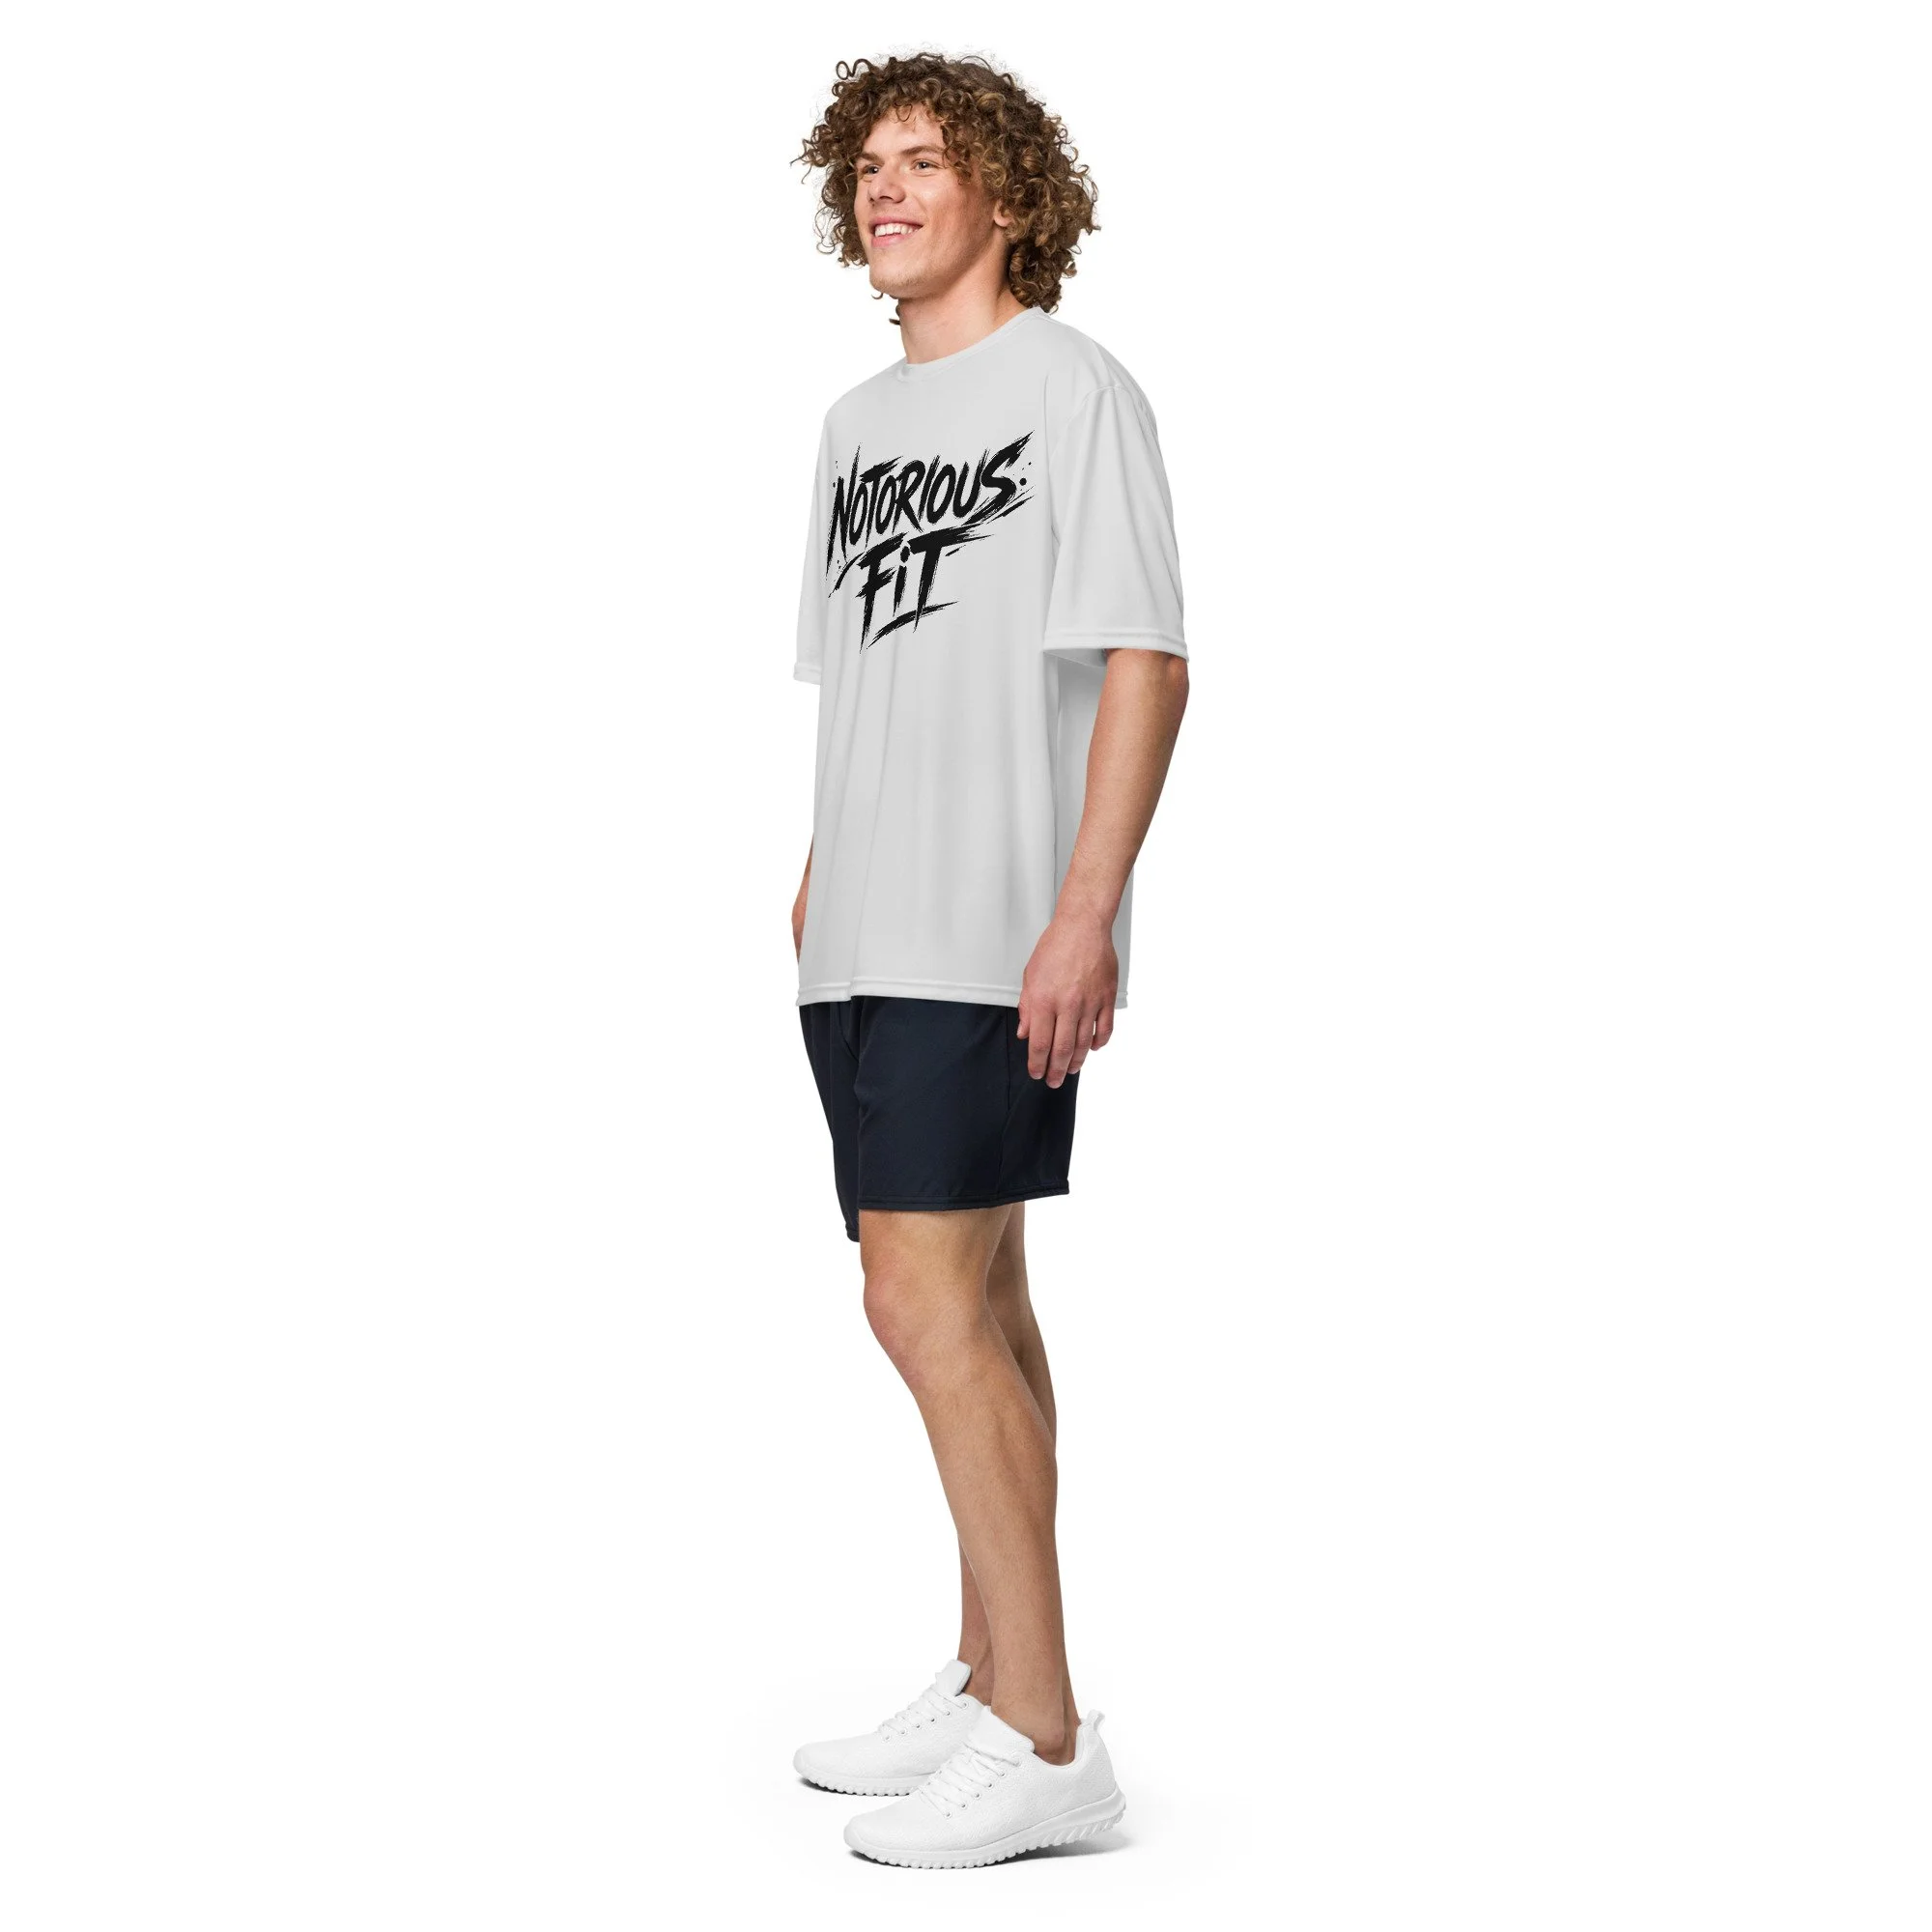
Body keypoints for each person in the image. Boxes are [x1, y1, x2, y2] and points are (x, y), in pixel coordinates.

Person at [785, 52, 1189, 1869]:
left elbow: (1147, 661)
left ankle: (1046, 1737)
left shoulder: (1073, 389)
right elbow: (868, 680)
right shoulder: (853, 426)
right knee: (988, 1300)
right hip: (863, 932)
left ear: (1008, 197)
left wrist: (1085, 911)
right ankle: (987, 1672)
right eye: (867, 164)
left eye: (925, 160)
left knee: (918, 1304)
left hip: (989, 925)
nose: (885, 187)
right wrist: (818, 876)